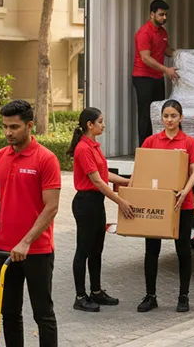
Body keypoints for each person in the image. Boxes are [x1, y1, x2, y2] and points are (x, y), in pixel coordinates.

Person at [0, 100, 61, 347]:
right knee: (9, 313)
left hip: (37, 250)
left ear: (30, 125)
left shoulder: (46, 159)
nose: (8, 132)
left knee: (43, 314)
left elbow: (51, 206)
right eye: (5, 127)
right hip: (4, 250)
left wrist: (26, 242)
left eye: (14, 127)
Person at [134, 99, 194, 313]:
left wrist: (185, 190)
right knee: (151, 250)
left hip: (182, 203)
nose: (169, 120)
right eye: (166, 116)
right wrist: (135, 193)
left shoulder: (189, 142)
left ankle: (183, 296)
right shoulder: (151, 141)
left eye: (173, 116)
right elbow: (141, 171)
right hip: (157, 204)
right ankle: (150, 295)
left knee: (183, 250)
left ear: (181, 118)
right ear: (161, 118)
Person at [67, 107, 134, 312]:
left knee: (97, 250)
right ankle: (80, 297)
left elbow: (104, 175)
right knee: (83, 251)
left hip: (96, 203)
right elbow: (97, 181)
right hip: (86, 203)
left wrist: (127, 182)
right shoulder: (83, 149)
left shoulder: (94, 146)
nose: (103, 125)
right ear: (90, 125)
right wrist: (120, 201)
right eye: (101, 122)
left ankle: (96, 292)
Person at [133, 0, 179, 147]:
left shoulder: (162, 32)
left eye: (165, 15)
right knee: (146, 113)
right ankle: (143, 148)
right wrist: (166, 70)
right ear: (152, 14)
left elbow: (165, 50)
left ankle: (157, 145)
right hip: (143, 78)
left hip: (157, 77)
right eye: (161, 15)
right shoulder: (144, 33)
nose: (164, 18)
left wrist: (182, 54)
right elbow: (145, 58)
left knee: (160, 112)